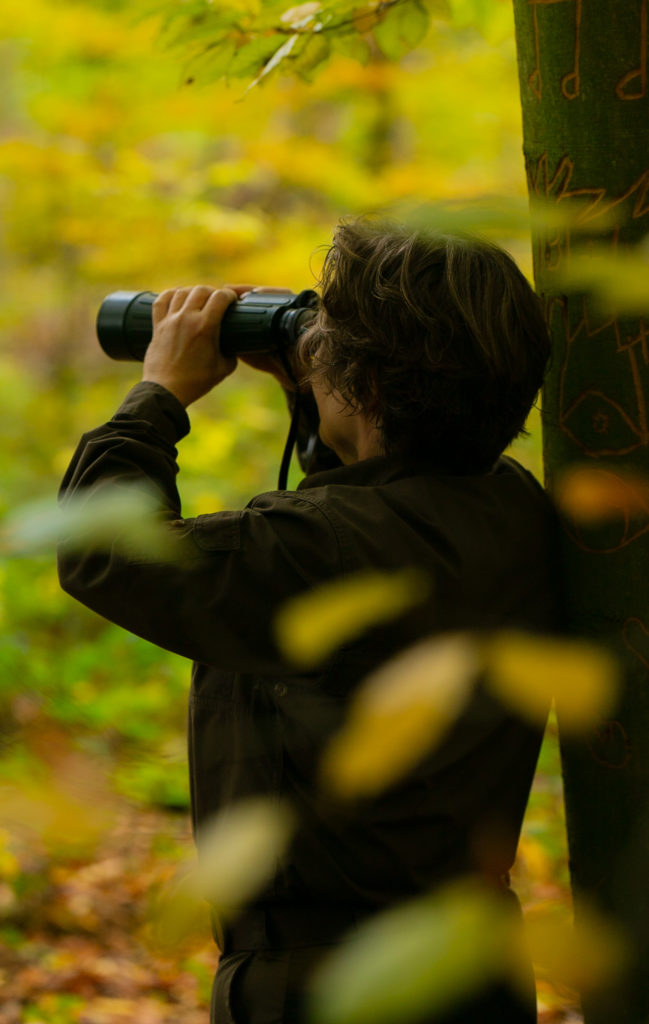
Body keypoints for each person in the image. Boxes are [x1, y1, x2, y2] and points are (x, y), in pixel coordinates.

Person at [58, 217, 559, 1024]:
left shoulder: (320, 548)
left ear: (364, 386)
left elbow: (101, 553)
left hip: (321, 987)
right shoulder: (509, 507)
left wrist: (158, 395)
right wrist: (314, 387)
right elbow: (378, 490)